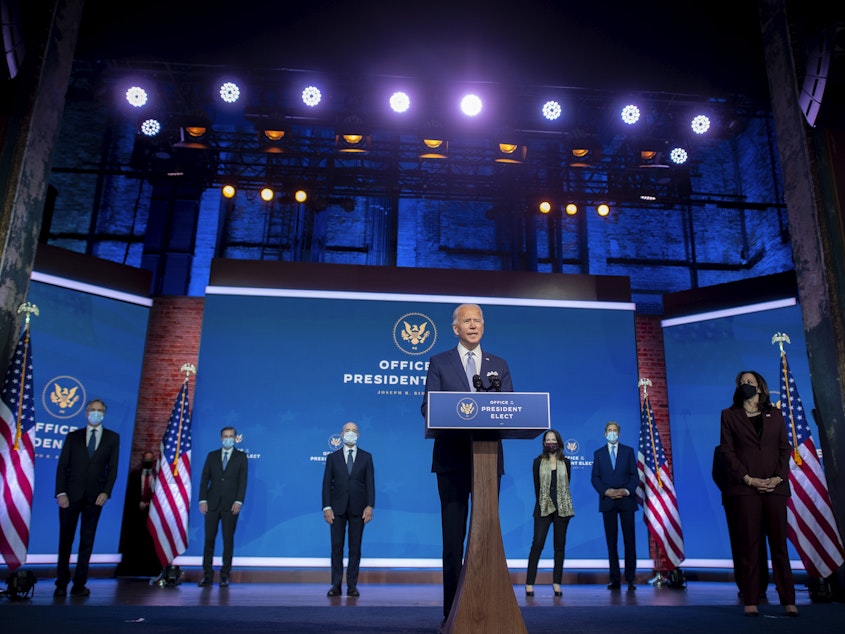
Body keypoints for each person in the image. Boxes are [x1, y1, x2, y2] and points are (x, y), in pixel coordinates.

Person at [421, 303, 514, 622]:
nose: (473, 325)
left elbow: (512, 409)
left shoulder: (498, 364)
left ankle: (488, 610)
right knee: (453, 540)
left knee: (487, 537)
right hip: (452, 460)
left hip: (488, 461)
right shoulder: (439, 362)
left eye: (478, 320)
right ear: (455, 328)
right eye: (467, 321)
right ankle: (452, 615)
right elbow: (428, 406)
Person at [719, 370, 797, 617]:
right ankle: (751, 599)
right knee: (749, 546)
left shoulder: (776, 415)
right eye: (741, 382)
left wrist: (777, 478)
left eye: (749, 382)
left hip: (775, 488)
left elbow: (785, 450)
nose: (745, 385)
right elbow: (727, 452)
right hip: (746, 489)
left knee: (779, 546)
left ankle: (788, 600)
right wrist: (749, 479)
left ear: (760, 388)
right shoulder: (729, 415)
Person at [54, 398, 120, 597]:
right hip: (70, 497)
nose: (96, 413)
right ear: (85, 413)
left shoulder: (112, 438)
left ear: (104, 414)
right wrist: (61, 492)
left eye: (100, 410)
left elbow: (113, 468)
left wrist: (106, 492)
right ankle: (61, 583)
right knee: (65, 540)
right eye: (93, 410)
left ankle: (79, 584)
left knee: (87, 542)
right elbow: (62, 467)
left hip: (95, 498)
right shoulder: (73, 437)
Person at [322, 421, 375, 597]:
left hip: (358, 509)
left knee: (355, 548)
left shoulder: (366, 457)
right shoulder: (332, 457)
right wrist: (326, 507)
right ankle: (336, 585)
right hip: (336, 509)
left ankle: (352, 586)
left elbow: (370, 484)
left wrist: (370, 505)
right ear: (341, 434)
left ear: (358, 435)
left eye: (354, 431)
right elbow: (326, 484)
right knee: (336, 547)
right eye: (347, 430)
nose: (350, 433)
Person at [711, 444, 769, 599]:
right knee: (738, 544)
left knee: (758, 543)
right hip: (733, 502)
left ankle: (761, 585)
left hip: (756, 500)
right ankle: (744, 585)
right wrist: (732, 492)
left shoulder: (754, 447)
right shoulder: (721, 450)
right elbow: (717, 475)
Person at [525, 429, 574, 598]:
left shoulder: (566, 462)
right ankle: (530, 584)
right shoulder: (537, 462)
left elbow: (567, 485)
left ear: (558, 442)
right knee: (537, 544)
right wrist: (544, 502)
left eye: (553, 439)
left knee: (559, 547)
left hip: (562, 509)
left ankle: (557, 583)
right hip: (543, 508)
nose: (550, 442)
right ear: (544, 444)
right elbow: (537, 487)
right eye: (548, 440)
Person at [590, 420, 639, 591]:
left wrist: (625, 491)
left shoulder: (628, 451)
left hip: (626, 501)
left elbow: (635, 477)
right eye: (609, 430)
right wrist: (606, 491)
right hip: (608, 502)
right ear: (605, 434)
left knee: (629, 541)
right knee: (612, 542)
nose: (612, 433)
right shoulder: (599, 454)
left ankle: (631, 579)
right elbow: (595, 478)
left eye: (615, 430)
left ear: (619, 433)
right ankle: (615, 579)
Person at [198, 426, 248, 587]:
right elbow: (205, 479)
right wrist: (202, 500)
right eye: (225, 436)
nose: (228, 438)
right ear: (221, 438)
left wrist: (239, 501)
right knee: (209, 540)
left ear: (235, 438)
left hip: (230, 505)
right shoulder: (211, 456)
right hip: (212, 504)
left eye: (231, 436)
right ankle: (207, 575)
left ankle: (225, 575)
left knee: (228, 540)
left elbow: (243, 481)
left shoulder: (241, 457)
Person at [116, 450, 161, 577]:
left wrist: (150, 504)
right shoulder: (135, 475)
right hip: (136, 514)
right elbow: (129, 495)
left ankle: (151, 570)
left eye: (150, 460)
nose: (148, 462)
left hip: (152, 514)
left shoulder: (158, 476)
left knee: (150, 542)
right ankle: (131, 570)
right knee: (134, 541)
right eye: (146, 459)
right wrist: (138, 503)